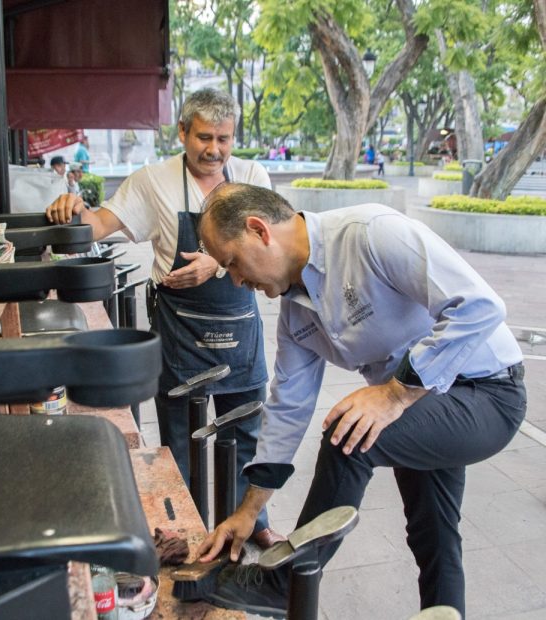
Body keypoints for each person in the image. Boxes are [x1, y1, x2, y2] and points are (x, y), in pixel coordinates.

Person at [195, 183, 526, 618]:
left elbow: (480, 306)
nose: (237, 281)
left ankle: (282, 585)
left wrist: (393, 394)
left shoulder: (370, 233)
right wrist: (248, 511)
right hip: (421, 404)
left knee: (347, 436)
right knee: (433, 536)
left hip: (486, 391)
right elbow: (288, 408)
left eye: (233, 263)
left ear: (259, 230)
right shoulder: (296, 312)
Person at [45, 89, 283, 549]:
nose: (214, 150)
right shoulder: (153, 180)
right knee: (180, 439)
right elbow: (99, 225)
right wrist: (72, 210)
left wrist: (215, 263)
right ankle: (188, 530)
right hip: (180, 331)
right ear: (182, 131)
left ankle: (252, 522)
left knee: (247, 432)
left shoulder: (252, 175)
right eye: (204, 137)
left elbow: (273, 241)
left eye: (224, 139)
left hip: (238, 326)